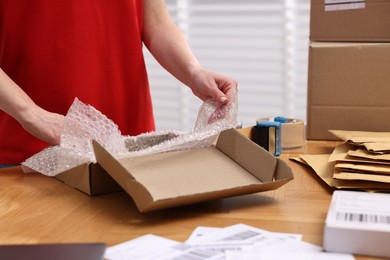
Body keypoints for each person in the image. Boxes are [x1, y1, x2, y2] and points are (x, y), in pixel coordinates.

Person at [0, 0, 237, 166]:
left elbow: (155, 21)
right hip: (28, 153)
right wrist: (31, 114)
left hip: (129, 148)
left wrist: (192, 71)